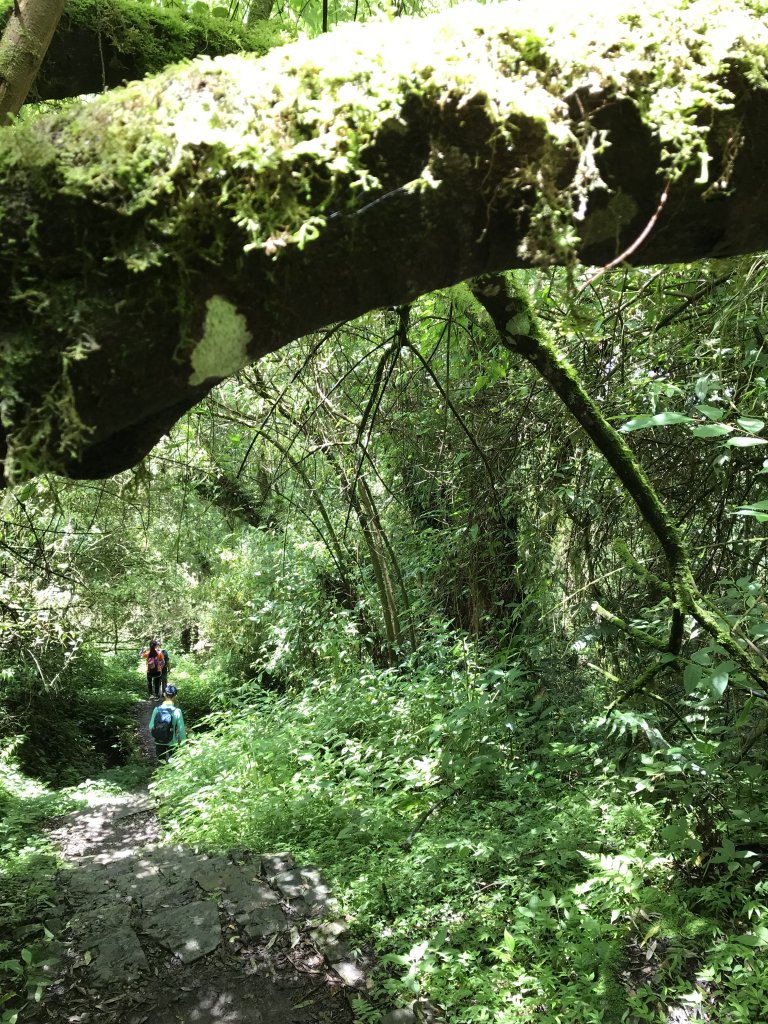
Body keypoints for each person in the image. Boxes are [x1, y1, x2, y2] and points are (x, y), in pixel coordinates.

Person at [148, 684, 186, 762]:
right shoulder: (177, 711)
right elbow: (181, 731)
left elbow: (151, 726)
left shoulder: (157, 709)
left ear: (164, 694)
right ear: (175, 696)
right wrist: (184, 746)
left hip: (159, 742)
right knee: (172, 765)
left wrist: (159, 734)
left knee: (161, 764)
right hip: (172, 743)